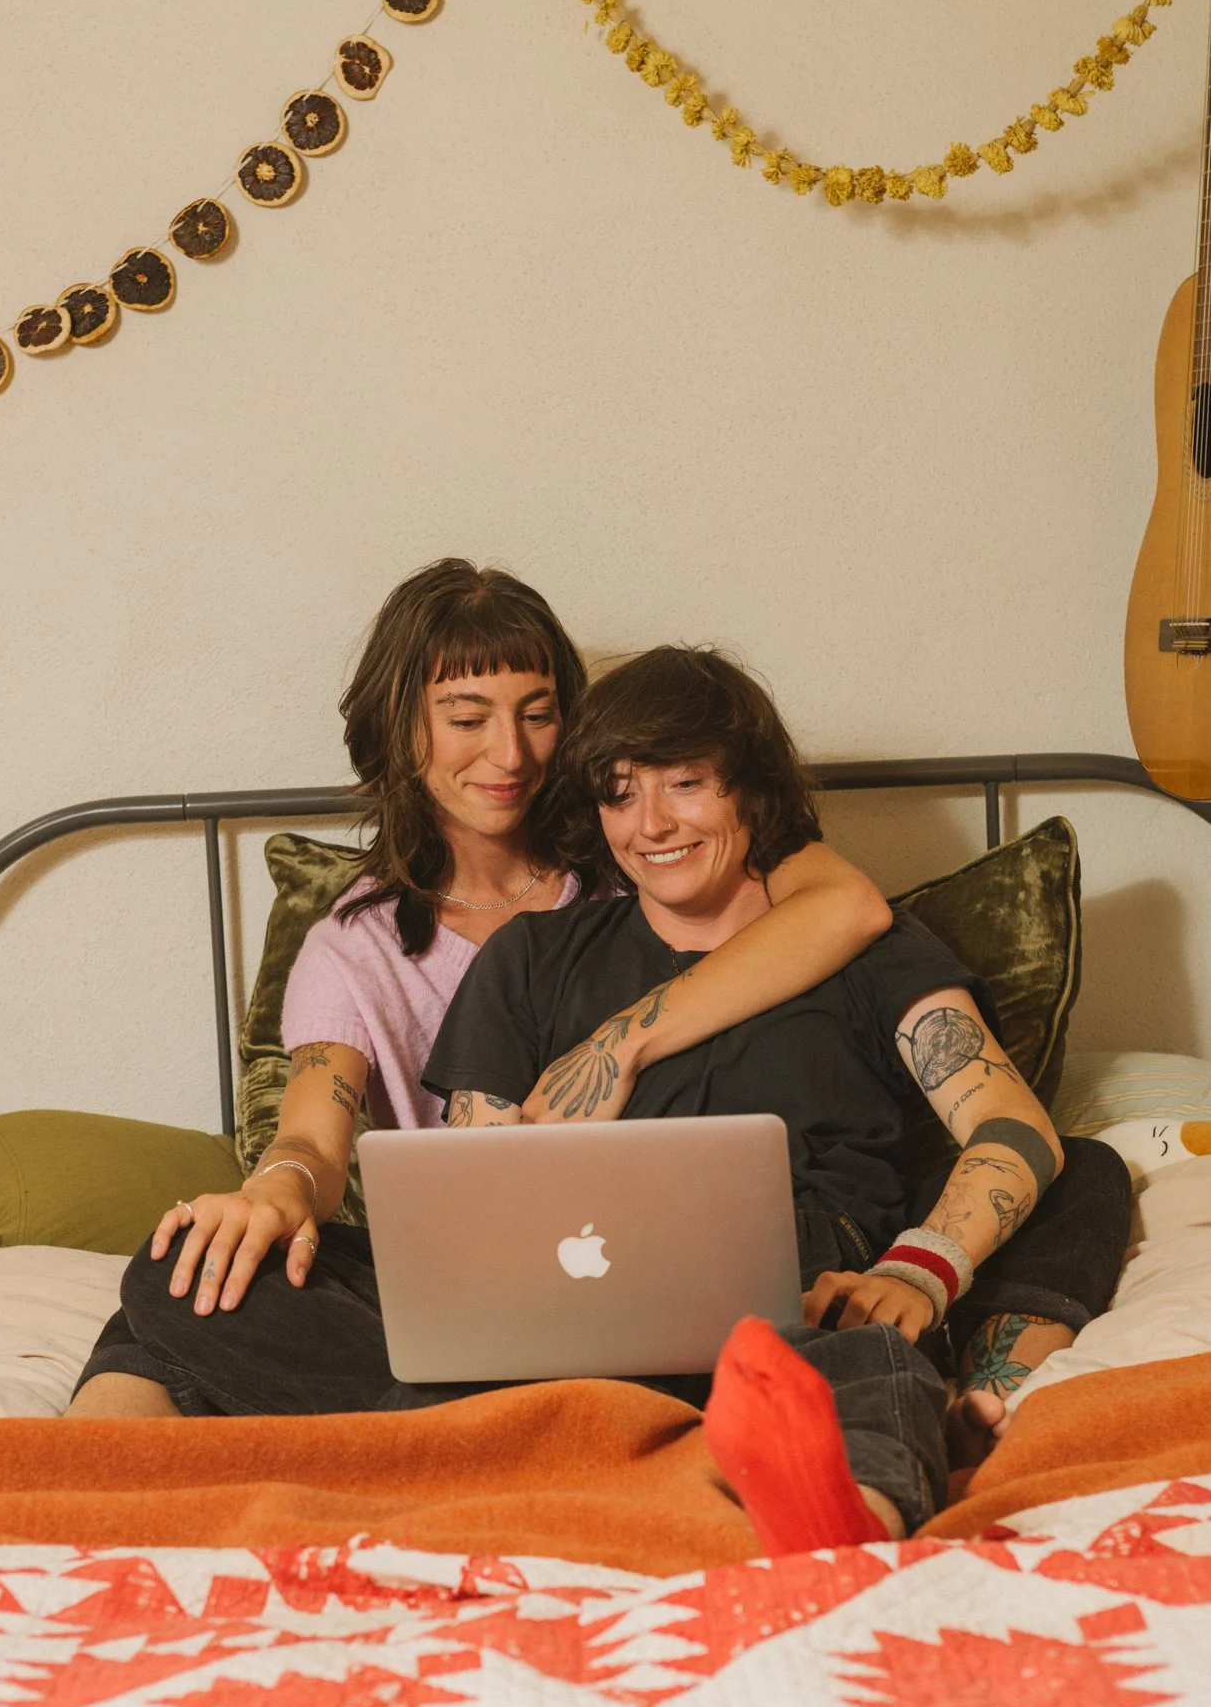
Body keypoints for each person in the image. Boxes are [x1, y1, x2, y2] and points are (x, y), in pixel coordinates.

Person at [68, 562, 892, 1417]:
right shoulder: (355, 944)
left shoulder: (655, 859)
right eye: (467, 718)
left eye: (538, 716)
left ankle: (465, 1426)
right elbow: (313, 1137)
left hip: (648, 1270)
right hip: (469, 1293)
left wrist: (623, 1040)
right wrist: (276, 1184)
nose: (510, 754)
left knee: (182, 1329)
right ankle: (512, 1420)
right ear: (401, 728)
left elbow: (847, 906)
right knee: (181, 1267)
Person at [420, 645, 1132, 1549]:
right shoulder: (529, 958)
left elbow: (1008, 1123)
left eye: (684, 784)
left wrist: (917, 1268)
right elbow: (471, 1190)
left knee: (1079, 1174)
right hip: (582, 1302)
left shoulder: (867, 949)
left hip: (812, 1296)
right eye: (619, 792)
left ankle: (857, 1507)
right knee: (207, 1284)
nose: (649, 824)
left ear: (751, 793)